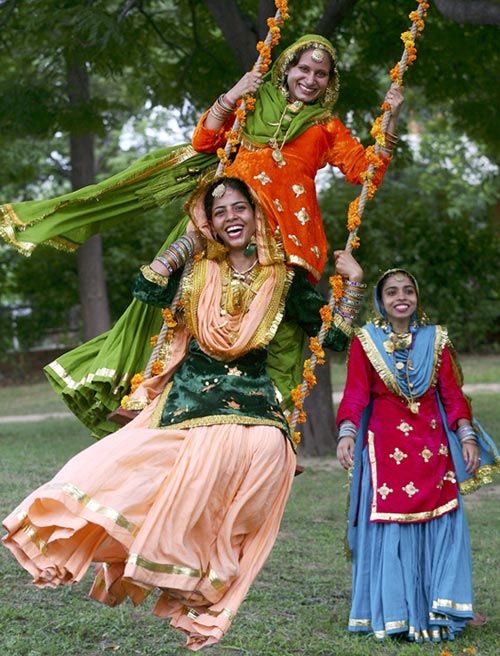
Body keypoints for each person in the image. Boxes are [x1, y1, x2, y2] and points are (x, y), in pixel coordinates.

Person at [2, 176, 366, 651]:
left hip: (254, 408)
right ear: (209, 222)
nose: (232, 217)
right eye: (220, 212)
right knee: (104, 471)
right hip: (187, 401)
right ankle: (75, 542)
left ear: (257, 216)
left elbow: (332, 337)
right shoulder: (196, 267)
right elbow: (148, 287)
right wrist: (183, 246)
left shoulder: (285, 278)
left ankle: (203, 579)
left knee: (257, 471)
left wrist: (354, 282)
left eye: (241, 208)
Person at [335, 268, 499, 643]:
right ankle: (396, 613)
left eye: (408, 290)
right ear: (381, 300)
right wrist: (346, 433)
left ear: (417, 298)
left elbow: (452, 394)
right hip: (386, 449)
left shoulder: (435, 339)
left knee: (441, 520)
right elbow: (356, 392)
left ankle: (441, 607)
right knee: (392, 524)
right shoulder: (366, 341)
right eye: (392, 292)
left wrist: (467, 436)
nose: (401, 297)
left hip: (433, 448)